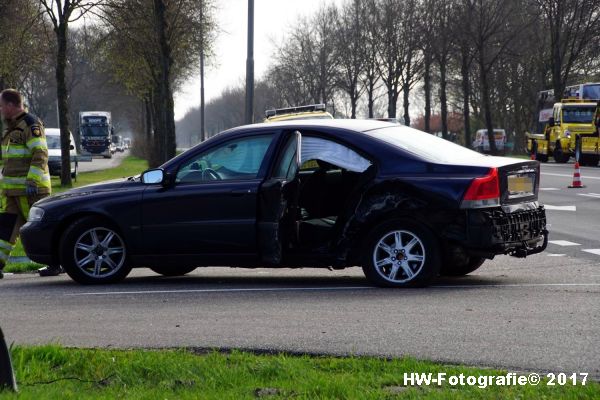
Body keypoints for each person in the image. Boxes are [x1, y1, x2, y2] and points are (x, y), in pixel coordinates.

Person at [0, 89, 62, 278]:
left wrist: (32, 181)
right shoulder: (11, 127)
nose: (0, 109)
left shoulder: (30, 124)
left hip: (31, 191)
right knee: (5, 230)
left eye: (2, 105)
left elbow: (40, 154)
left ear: (11, 105)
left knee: (40, 228)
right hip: (13, 192)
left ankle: (55, 263)